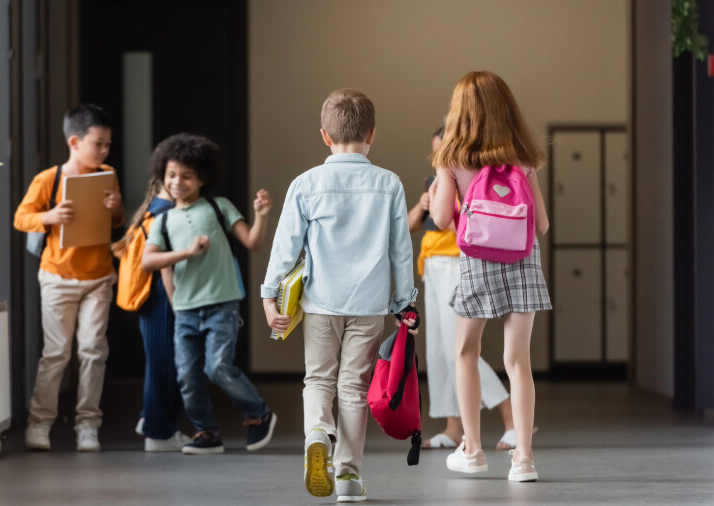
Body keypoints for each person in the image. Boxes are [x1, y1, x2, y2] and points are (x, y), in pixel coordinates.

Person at [262, 88, 418, 502]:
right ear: (372, 134)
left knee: (318, 379)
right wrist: (405, 303)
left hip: (320, 303)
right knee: (353, 387)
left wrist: (268, 296)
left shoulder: (307, 183)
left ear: (325, 136)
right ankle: (348, 478)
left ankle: (318, 432)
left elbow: (285, 245)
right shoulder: (389, 184)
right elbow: (401, 251)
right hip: (368, 306)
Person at [429, 71, 551, 482]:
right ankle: (525, 461)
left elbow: (442, 217)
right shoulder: (523, 155)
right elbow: (543, 225)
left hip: (477, 261)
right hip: (523, 261)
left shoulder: (452, 157)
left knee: (465, 351)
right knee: (518, 361)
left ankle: (474, 450)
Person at [141, 133, 277, 455]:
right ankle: (206, 432)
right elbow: (150, 262)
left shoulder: (219, 207)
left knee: (217, 367)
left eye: (186, 176)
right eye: (171, 175)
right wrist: (187, 254)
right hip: (185, 311)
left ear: (202, 178)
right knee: (187, 375)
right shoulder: (162, 221)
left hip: (222, 304)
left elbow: (253, 243)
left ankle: (258, 413)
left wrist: (262, 214)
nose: (177, 182)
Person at [14, 104, 125, 452]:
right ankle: (39, 423)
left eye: (108, 144)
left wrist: (116, 207)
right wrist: (49, 216)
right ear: (74, 141)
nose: (104, 151)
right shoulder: (49, 179)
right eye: (98, 143)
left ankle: (88, 424)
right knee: (57, 352)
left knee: (93, 350)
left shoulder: (108, 174)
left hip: (99, 277)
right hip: (57, 276)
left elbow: (118, 222)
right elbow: (21, 218)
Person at [408, 127, 520, 451]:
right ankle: (453, 427)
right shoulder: (434, 183)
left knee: (458, 350)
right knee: (440, 352)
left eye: (443, 149)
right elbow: (412, 223)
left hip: (458, 264)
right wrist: (422, 202)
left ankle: (511, 419)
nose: (437, 157)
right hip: (432, 267)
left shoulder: (471, 178)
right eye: (435, 151)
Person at [112, 176, 190, 452]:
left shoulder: (151, 210)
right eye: (176, 175)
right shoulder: (165, 214)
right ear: (164, 179)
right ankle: (158, 433)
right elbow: (164, 267)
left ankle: (152, 421)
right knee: (166, 365)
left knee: (160, 362)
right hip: (160, 297)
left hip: (149, 298)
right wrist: (178, 305)